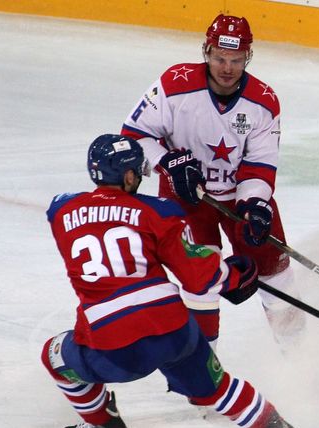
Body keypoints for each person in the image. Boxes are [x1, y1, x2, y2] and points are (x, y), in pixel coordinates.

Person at [41, 134, 311, 428]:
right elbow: (199, 278)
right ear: (128, 176)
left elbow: (74, 211)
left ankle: (103, 425)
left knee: (54, 355)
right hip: (173, 330)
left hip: (111, 340)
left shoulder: (61, 210)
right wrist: (235, 275)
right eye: (137, 171)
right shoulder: (161, 211)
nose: (140, 177)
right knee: (215, 388)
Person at [120, 13, 304, 346]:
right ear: (206, 51)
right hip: (186, 199)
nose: (227, 67)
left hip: (240, 200)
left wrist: (255, 203)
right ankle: (205, 371)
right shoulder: (174, 85)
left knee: (277, 277)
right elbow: (135, 135)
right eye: (220, 57)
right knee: (199, 282)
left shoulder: (263, 101)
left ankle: (300, 361)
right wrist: (168, 162)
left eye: (235, 59)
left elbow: (260, 164)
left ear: (248, 57)